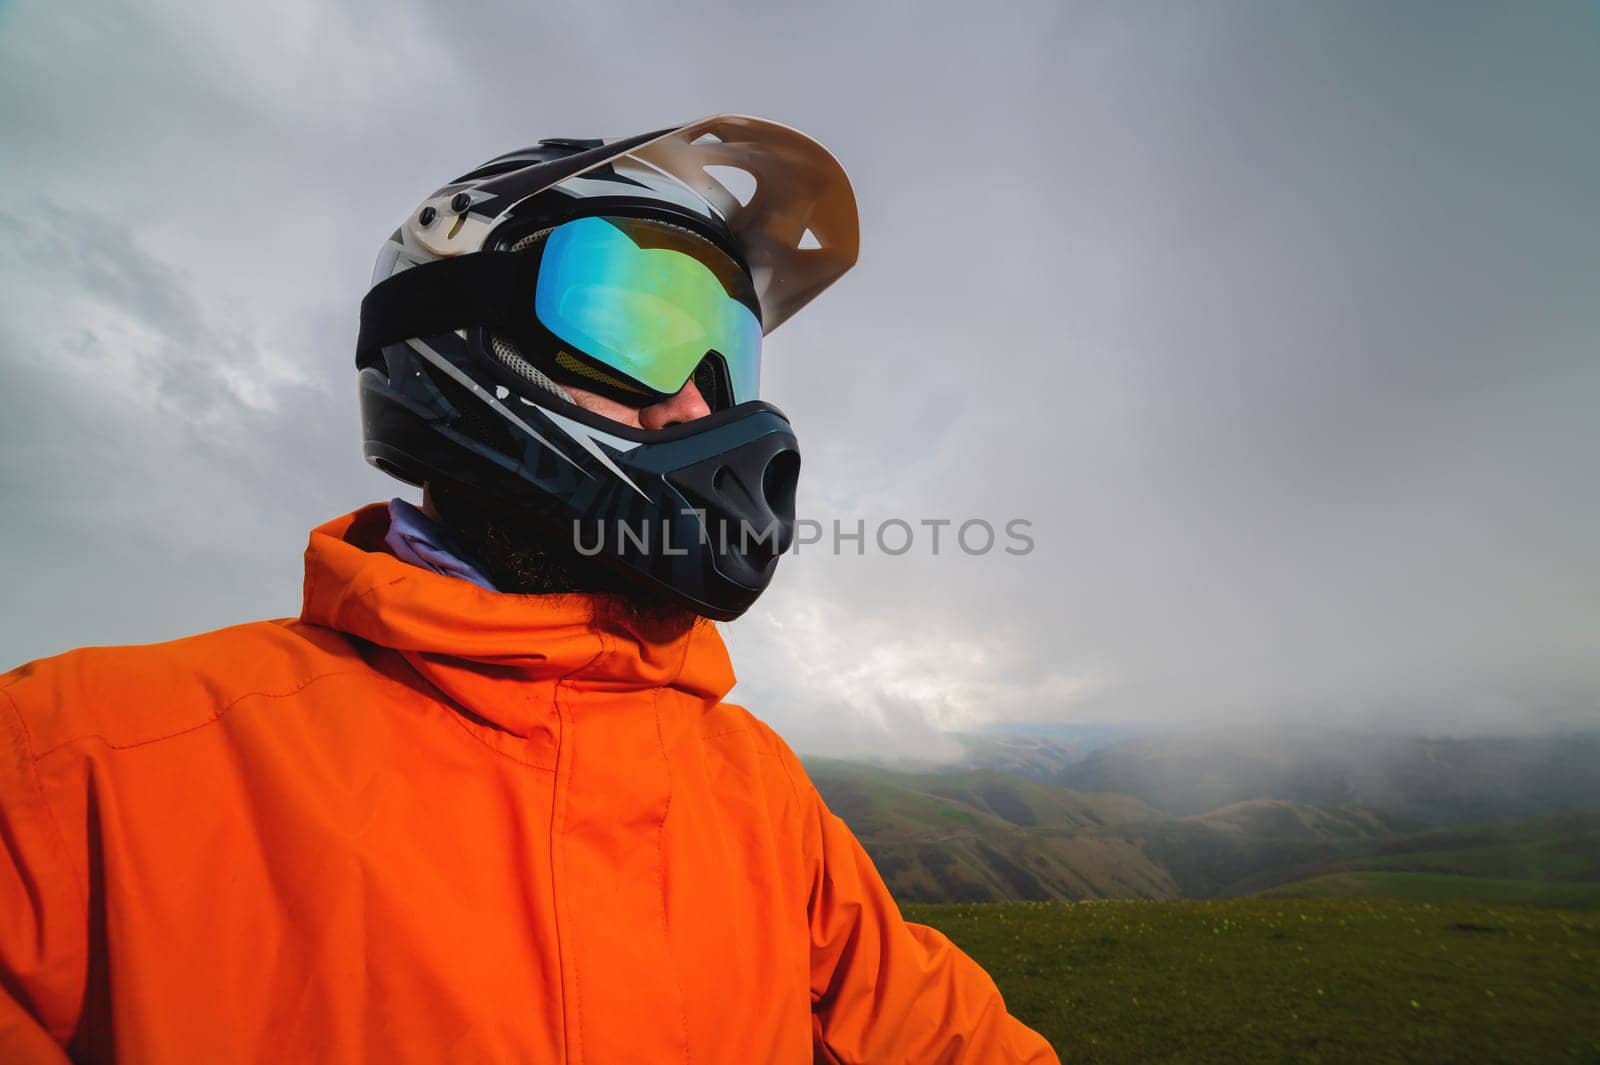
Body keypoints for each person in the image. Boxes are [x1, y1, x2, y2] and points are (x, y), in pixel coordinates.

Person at [0, 114, 1059, 1063]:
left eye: (726, 349)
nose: (700, 408)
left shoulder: (756, 791)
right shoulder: (74, 758)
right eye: (634, 322)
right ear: (454, 335)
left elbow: (940, 1037)